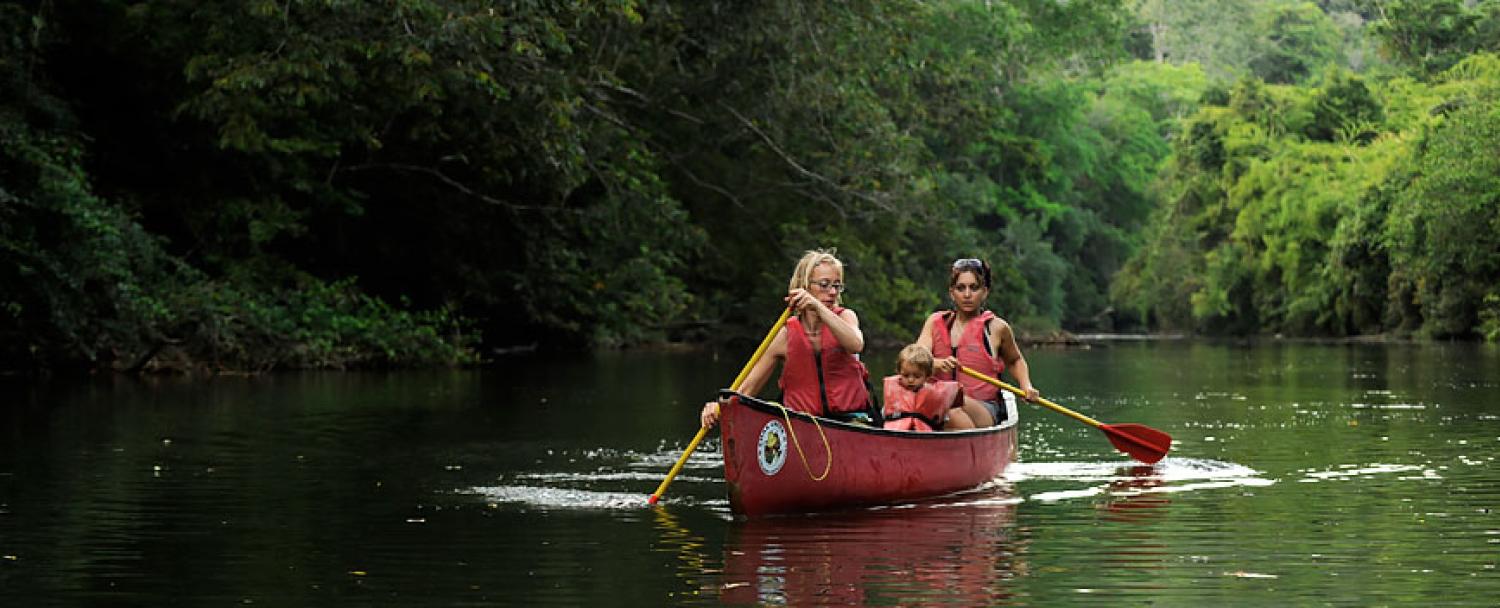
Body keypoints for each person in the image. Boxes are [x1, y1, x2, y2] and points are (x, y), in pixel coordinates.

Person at [701, 249, 871, 427]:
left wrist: (818, 307)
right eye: (824, 284)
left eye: (836, 286)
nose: (832, 292)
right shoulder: (784, 335)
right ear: (804, 286)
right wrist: (720, 407)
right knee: (770, 413)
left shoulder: (846, 317)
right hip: (802, 425)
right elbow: (747, 389)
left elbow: (856, 344)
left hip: (850, 422)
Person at [914, 258, 1039, 430]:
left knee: (950, 404)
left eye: (974, 288)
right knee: (909, 405)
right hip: (937, 404)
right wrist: (936, 363)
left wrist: (1026, 385)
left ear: (985, 292)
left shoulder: (997, 328)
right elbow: (916, 359)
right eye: (960, 288)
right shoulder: (934, 322)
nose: (967, 295)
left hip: (982, 408)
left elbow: (1014, 361)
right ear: (952, 293)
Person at [881, 344, 962, 432]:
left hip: (926, 435)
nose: (911, 380)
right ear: (899, 372)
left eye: (917, 376)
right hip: (896, 433)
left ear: (927, 376)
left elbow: (943, 420)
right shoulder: (894, 394)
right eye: (906, 375)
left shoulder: (934, 396)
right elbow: (885, 414)